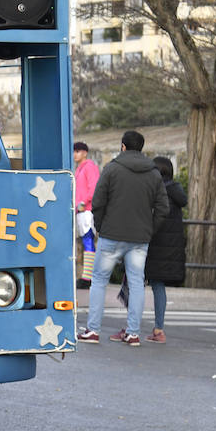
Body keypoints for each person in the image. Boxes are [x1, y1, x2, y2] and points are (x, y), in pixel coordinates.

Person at [76, 129, 168, 346]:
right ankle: (133, 332)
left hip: (111, 235)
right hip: (140, 238)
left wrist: (101, 226)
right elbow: (163, 208)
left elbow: (98, 201)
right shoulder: (153, 173)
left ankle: (93, 330)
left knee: (99, 280)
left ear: (123, 146)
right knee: (136, 283)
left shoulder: (112, 169)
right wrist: (149, 230)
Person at [142, 156, 188, 343]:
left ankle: (132, 328)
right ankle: (158, 328)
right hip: (171, 248)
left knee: (142, 283)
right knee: (158, 287)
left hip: (154, 244)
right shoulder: (177, 192)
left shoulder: (157, 191)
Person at [73, 141, 101, 289]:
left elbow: (94, 187)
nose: (75, 154)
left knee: (88, 241)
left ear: (84, 152)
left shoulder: (89, 167)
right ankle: (87, 276)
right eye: (74, 151)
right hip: (81, 210)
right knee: (86, 242)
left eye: (77, 151)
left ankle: (88, 277)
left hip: (86, 210)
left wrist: (84, 202)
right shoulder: (79, 169)